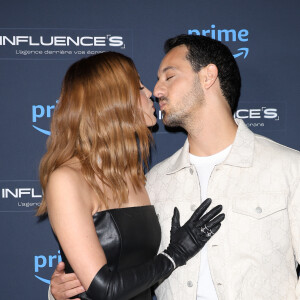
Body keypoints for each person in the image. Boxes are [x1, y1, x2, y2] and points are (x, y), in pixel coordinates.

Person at [49, 34, 300, 300]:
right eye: (145, 85)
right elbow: (109, 272)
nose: (155, 92)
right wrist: (59, 292)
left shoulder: (288, 168)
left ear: (207, 77)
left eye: (169, 77)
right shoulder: (153, 182)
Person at [37, 51, 225, 300]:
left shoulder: (136, 177)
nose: (150, 93)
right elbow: (105, 289)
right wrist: (175, 254)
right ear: (110, 101)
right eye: (138, 87)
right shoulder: (67, 179)